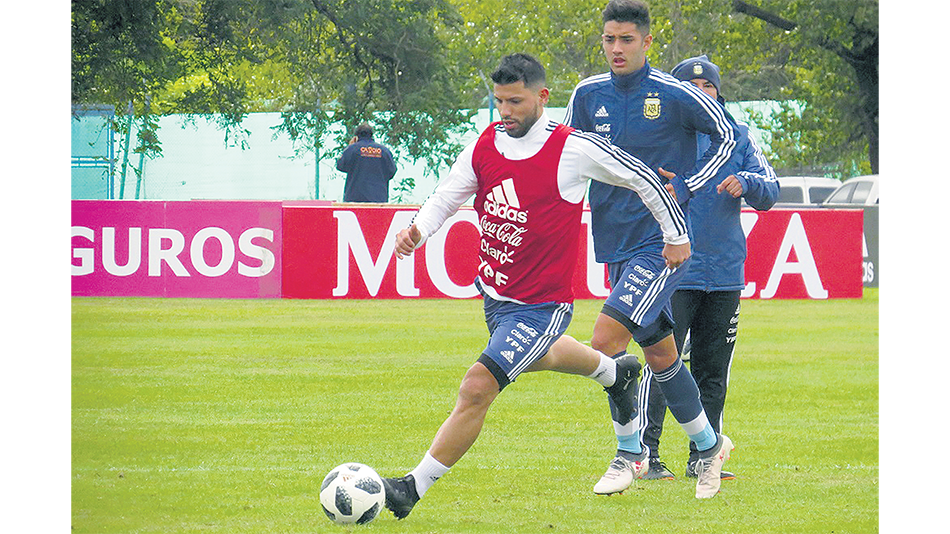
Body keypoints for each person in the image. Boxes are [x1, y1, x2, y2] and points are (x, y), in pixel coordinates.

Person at [382, 53, 690, 520]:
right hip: (496, 297)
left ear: (542, 97)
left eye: (516, 102)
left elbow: (641, 176)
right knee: (537, 356)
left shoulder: (572, 148)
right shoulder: (485, 144)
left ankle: (411, 488)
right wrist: (417, 230)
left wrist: (676, 235)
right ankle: (615, 373)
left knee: (478, 385)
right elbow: (447, 196)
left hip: (543, 305)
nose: (506, 112)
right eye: (500, 101)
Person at [560, 0, 737, 499]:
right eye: (609, 39)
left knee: (606, 342)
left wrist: (691, 182)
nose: (617, 48)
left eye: (627, 39)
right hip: (612, 239)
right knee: (660, 353)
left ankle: (629, 455)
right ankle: (707, 444)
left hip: (661, 243)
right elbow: (569, 156)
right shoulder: (587, 93)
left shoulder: (675, 94)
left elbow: (727, 134)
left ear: (647, 42)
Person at [638, 54, 780, 481]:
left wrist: (749, 182)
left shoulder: (739, 136)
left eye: (709, 88)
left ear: (719, 94)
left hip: (724, 273)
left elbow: (769, 190)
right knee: (663, 363)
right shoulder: (661, 137)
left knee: (713, 369)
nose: (702, 94)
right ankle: (645, 455)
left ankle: (705, 456)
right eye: (692, 89)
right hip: (672, 269)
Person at [335, 122, 397, 202]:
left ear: (356, 137)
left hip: (355, 200)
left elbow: (340, 166)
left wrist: (349, 147)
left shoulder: (352, 149)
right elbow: (392, 171)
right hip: (379, 200)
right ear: (371, 135)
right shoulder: (384, 151)